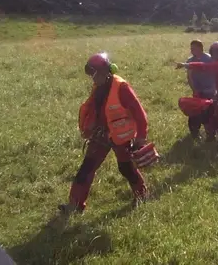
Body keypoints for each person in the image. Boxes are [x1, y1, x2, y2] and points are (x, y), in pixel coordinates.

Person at [59, 53, 150, 216]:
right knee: (86, 169)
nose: (93, 79)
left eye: (95, 75)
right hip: (101, 134)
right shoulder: (98, 87)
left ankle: (142, 195)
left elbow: (140, 113)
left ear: (106, 71)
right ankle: (75, 205)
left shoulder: (122, 87)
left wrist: (141, 137)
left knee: (125, 168)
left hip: (120, 135)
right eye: (91, 75)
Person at [176, 41, 218, 142]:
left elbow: (203, 66)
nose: (213, 55)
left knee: (217, 119)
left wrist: (185, 64)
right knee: (214, 118)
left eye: (215, 53)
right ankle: (215, 139)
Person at [185, 40, 216, 139]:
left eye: (193, 48)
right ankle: (194, 133)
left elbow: (216, 74)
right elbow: (189, 77)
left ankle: (211, 134)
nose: (191, 50)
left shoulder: (209, 59)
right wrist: (194, 90)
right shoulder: (190, 60)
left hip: (209, 91)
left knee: (209, 113)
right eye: (191, 48)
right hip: (197, 91)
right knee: (194, 112)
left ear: (200, 48)